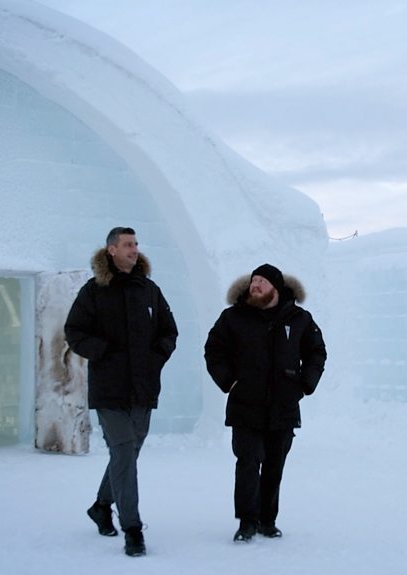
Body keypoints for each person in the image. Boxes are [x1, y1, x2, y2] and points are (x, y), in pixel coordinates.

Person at [65, 226, 178, 557]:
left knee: (127, 452)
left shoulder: (150, 290)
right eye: (128, 244)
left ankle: (101, 505)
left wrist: (155, 359)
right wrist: (105, 352)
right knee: (125, 451)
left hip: (143, 389)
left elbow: (169, 332)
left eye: (136, 244)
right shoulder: (94, 290)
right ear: (111, 250)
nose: (135, 249)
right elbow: (74, 331)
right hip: (110, 389)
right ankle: (132, 529)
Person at [204, 263, 327, 542]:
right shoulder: (233, 317)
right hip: (245, 404)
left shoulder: (299, 319)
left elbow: (316, 352)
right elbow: (214, 350)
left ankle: (267, 520)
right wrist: (229, 381)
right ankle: (247, 522)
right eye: (253, 280)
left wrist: (305, 384)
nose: (255, 285)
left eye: (261, 281)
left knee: (274, 464)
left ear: (276, 287)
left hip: (283, 405)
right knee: (248, 461)